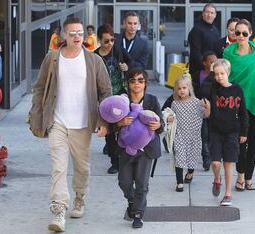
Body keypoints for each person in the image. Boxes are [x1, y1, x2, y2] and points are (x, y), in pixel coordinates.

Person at [30, 17, 112, 232]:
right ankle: (59, 210)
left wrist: (104, 122)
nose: (77, 36)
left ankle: (79, 197)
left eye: (80, 33)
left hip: (83, 124)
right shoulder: (53, 59)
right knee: (58, 167)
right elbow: (39, 88)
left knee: (82, 167)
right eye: (72, 33)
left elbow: (106, 92)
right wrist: (37, 114)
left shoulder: (94, 61)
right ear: (63, 36)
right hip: (57, 121)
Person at [223, 19, 255, 191]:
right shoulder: (228, 54)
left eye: (244, 33)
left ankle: (249, 178)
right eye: (237, 33)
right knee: (240, 142)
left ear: (250, 34)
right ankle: (239, 177)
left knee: (252, 142)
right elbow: (225, 79)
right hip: (237, 104)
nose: (240, 36)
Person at [116, 68, 163, 229]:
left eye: (140, 80)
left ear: (146, 83)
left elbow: (161, 124)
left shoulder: (152, 100)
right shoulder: (122, 101)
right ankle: (131, 199)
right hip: (126, 148)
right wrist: (120, 123)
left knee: (142, 183)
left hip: (146, 150)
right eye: (133, 80)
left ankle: (138, 213)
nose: (137, 84)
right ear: (128, 83)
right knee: (124, 181)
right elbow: (111, 123)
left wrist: (158, 125)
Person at [201, 59, 248, 206]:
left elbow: (243, 112)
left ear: (228, 73)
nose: (219, 76)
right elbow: (202, 91)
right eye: (217, 74)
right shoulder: (213, 88)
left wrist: (244, 132)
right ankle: (217, 179)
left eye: (222, 73)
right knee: (215, 163)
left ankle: (227, 194)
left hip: (232, 132)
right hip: (215, 131)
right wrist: (212, 71)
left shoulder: (237, 89)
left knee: (228, 163)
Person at [187, 3, 220, 171]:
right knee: (203, 117)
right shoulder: (196, 30)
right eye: (207, 12)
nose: (209, 14)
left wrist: (217, 70)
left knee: (212, 116)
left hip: (214, 76)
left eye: (212, 12)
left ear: (215, 15)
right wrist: (207, 69)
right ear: (202, 13)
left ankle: (211, 152)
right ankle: (205, 155)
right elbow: (195, 54)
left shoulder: (215, 30)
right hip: (200, 77)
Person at [95, 23, 130, 174]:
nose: (110, 44)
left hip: (121, 94)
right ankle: (114, 161)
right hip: (105, 98)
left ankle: (124, 157)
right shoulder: (95, 57)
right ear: (99, 40)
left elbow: (132, 64)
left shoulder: (118, 50)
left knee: (123, 128)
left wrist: (127, 68)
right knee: (109, 132)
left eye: (112, 40)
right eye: (106, 41)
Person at [166, 76, 210, 192]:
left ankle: (190, 173)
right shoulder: (175, 103)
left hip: (194, 136)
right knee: (179, 158)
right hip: (179, 135)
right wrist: (169, 118)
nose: (182, 90)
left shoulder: (197, 102)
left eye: (184, 87)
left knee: (192, 159)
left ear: (189, 88)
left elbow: (205, 115)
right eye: (179, 88)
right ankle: (179, 183)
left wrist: (207, 108)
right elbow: (170, 115)